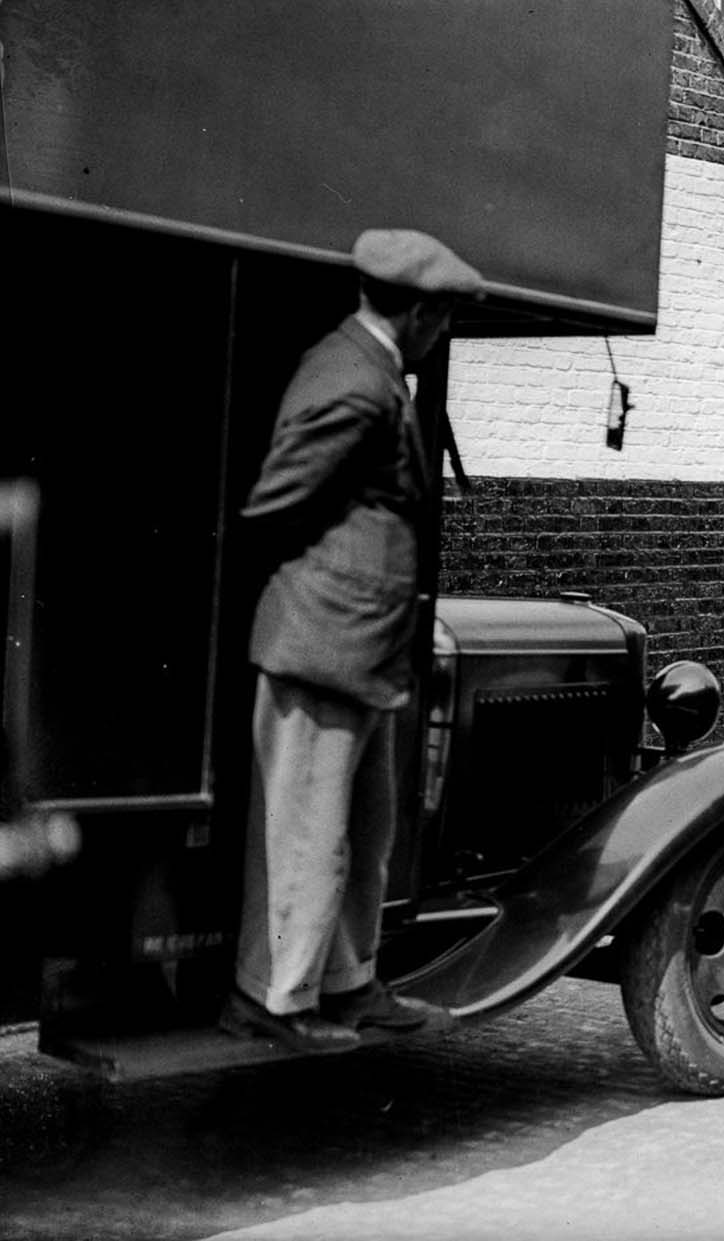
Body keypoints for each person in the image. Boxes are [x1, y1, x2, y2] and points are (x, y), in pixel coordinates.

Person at [221, 229, 484, 1053]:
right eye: (439, 317)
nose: (441, 332)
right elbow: (272, 507)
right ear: (412, 311)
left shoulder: (369, 371)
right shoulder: (352, 383)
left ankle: (349, 981)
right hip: (324, 642)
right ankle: (273, 995)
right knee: (305, 827)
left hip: (360, 649)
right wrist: (329, 593)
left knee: (363, 828)